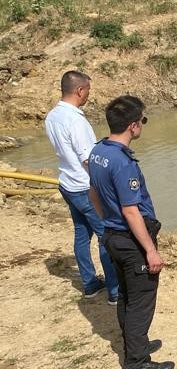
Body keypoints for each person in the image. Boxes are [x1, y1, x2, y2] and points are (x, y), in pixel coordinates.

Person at [88, 96, 173, 369]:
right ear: (133, 126)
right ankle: (136, 365)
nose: (142, 127)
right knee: (141, 300)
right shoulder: (122, 162)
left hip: (113, 235)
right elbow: (130, 210)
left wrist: (106, 222)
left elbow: (92, 193)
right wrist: (150, 250)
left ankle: (136, 346)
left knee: (126, 295)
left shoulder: (99, 151)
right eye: (143, 121)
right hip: (131, 240)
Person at [44, 71, 118, 304]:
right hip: (85, 187)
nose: (88, 95)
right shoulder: (76, 120)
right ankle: (115, 290)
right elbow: (88, 159)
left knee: (81, 234)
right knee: (105, 236)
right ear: (80, 91)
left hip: (67, 183)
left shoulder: (52, 116)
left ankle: (89, 283)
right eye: (88, 90)